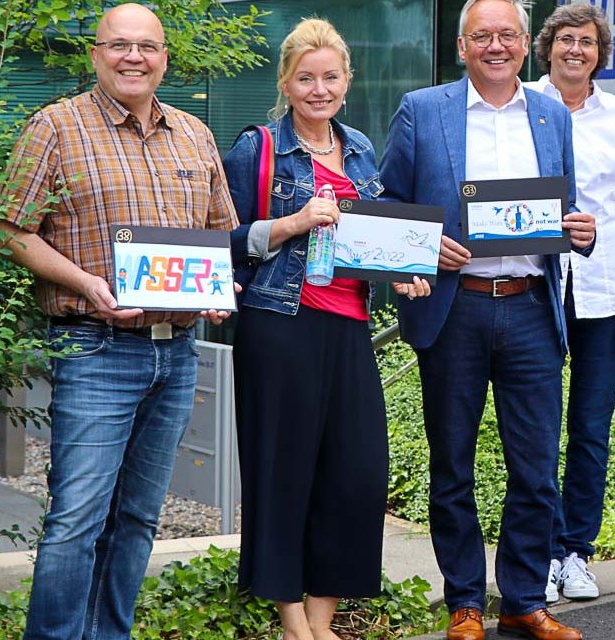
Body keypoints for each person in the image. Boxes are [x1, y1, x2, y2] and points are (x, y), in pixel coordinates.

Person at [0, 4, 238, 638]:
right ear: (96, 53)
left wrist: (218, 288)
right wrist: (86, 284)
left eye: (147, 47)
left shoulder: (195, 134)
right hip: (95, 347)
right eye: (120, 45)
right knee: (77, 517)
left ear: (164, 58)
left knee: (139, 519)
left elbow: (219, 231)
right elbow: (8, 231)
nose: (135, 57)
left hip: (176, 352)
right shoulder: (56, 127)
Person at [378, 1, 596, 638]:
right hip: (456, 308)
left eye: (507, 35)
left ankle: (524, 599)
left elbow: (567, 208)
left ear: (526, 43)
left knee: (535, 467)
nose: (496, 46)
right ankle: (465, 603)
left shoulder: (551, 114)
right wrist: (421, 245)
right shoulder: (424, 109)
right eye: (483, 35)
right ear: (461, 44)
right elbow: (387, 200)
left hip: (530, 306)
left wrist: (579, 230)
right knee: (453, 465)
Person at [221, 18, 430, 640]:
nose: (319, 89)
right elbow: (225, 242)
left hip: (349, 328)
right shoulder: (256, 149)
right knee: (283, 471)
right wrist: (291, 222)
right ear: (286, 83)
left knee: (356, 476)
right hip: (279, 327)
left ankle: (320, 618)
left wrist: (404, 274)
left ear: (347, 81)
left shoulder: (363, 148)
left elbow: (377, 238)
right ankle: (293, 621)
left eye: (330, 77)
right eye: (306, 78)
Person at [526, 3, 615, 603]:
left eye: (588, 42)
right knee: (537, 428)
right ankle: (542, 552)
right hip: (535, 287)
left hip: (603, 293)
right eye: (565, 40)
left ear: (600, 54)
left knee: (590, 428)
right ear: (546, 46)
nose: (576, 50)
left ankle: (577, 550)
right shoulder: (521, 105)